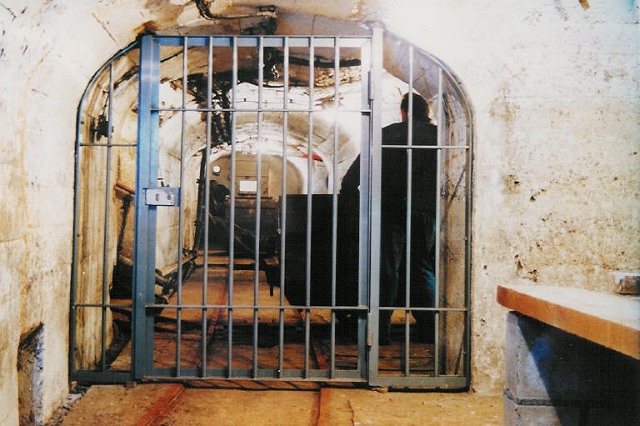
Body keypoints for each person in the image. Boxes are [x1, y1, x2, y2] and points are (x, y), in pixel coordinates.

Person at [340, 92, 437, 344]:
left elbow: (354, 175)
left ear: (403, 112)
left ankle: (380, 331)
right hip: (426, 213)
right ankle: (431, 327)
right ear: (427, 112)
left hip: (391, 211)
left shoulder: (387, 134)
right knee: (421, 268)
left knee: (387, 271)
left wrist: (347, 199)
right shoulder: (441, 136)